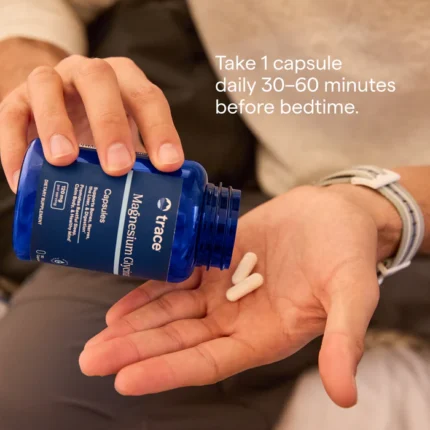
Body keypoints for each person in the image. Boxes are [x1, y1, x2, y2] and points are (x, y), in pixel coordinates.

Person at [0, 1, 430, 429]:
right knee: (33, 386)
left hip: (400, 206)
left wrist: (387, 207)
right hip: (281, 208)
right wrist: (45, 102)